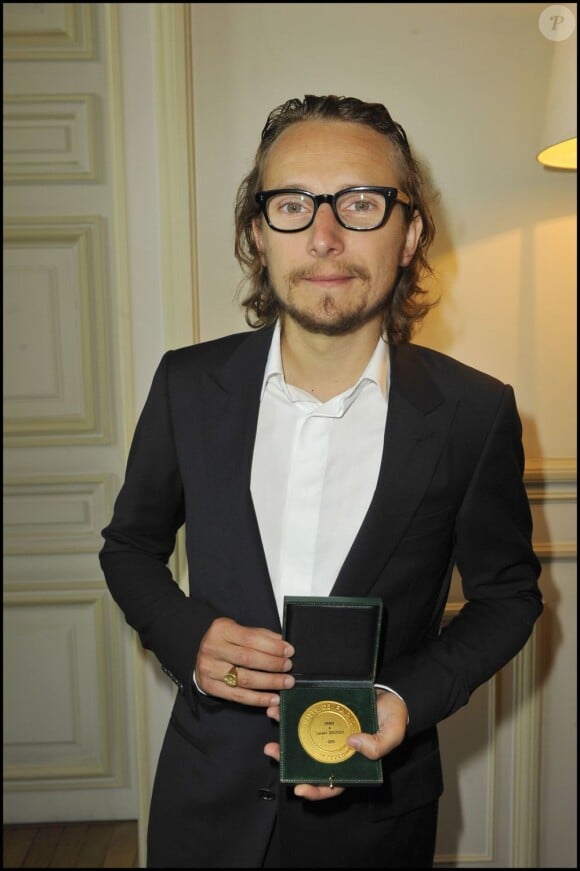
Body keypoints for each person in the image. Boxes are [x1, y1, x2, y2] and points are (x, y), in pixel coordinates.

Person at [99, 94, 543, 869]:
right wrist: (189, 635)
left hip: (377, 822)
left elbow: (509, 597)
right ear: (257, 234)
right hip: (202, 805)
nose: (326, 235)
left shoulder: (475, 411)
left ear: (409, 234)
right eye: (294, 204)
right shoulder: (186, 385)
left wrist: (405, 696)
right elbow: (129, 546)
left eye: (362, 203)